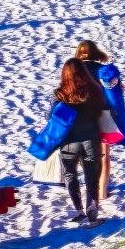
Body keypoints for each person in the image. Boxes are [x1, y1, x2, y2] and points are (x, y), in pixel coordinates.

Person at [30, 58, 109, 225]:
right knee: (91, 177)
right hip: (90, 140)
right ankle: (92, 214)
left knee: (70, 175)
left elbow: (51, 118)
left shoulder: (60, 94)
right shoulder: (94, 91)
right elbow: (103, 111)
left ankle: (79, 211)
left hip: (69, 143)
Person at [74, 37, 125, 195]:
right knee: (104, 155)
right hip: (104, 115)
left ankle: (90, 189)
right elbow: (119, 91)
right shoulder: (104, 71)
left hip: (82, 117)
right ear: (95, 52)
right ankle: (102, 192)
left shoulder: (75, 70)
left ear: (79, 53)